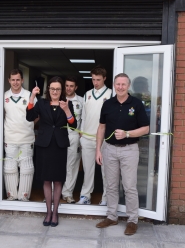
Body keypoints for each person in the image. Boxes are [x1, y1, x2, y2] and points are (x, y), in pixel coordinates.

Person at [95, 73, 149, 236]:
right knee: (111, 186)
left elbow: (145, 128)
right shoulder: (108, 104)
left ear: (128, 86)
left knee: (129, 187)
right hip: (109, 149)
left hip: (129, 149)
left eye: (123, 84)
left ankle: (132, 220)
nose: (120, 87)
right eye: (117, 84)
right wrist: (98, 149)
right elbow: (101, 128)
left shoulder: (137, 104)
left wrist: (127, 134)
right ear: (114, 85)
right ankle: (112, 217)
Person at [26, 76, 77, 227]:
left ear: (62, 90)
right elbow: (29, 117)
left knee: (58, 179)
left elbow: (73, 126)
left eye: (58, 89)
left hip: (59, 146)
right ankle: (48, 211)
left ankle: (55, 213)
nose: (55, 91)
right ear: (48, 90)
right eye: (52, 88)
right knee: (47, 179)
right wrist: (32, 96)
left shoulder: (67, 103)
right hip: (44, 145)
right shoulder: (41, 103)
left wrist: (66, 109)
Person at [77, 65, 112, 205]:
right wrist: (81, 132)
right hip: (87, 138)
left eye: (98, 79)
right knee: (87, 171)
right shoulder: (87, 94)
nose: (95, 82)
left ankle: (105, 198)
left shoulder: (110, 94)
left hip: (104, 140)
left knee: (106, 172)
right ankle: (85, 196)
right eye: (93, 79)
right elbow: (84, 116)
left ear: (104, 78)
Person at [3, 68, 36, 201]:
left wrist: (27, 125)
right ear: (9, 81)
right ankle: (11, 195)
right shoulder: (4, 96)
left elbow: (36, 116)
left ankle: (24, 196)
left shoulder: (29, 95)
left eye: (18, 80)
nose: (15, 82)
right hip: (10, 138)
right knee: (10, 167)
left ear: (22, 80)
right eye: (13, 80)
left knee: (26, 168)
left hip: (27, 138)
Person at [61, 76, 83, 203]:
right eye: (67, 85)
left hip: (74, 136)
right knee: (57, 165)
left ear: (76, 87)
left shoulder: (81, 101)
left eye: (71, 86)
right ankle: (53, 192)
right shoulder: (58, 98)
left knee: (72, 166)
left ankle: (67, 193)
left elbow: (85, 118)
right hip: (59, 136)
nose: (68, 88)